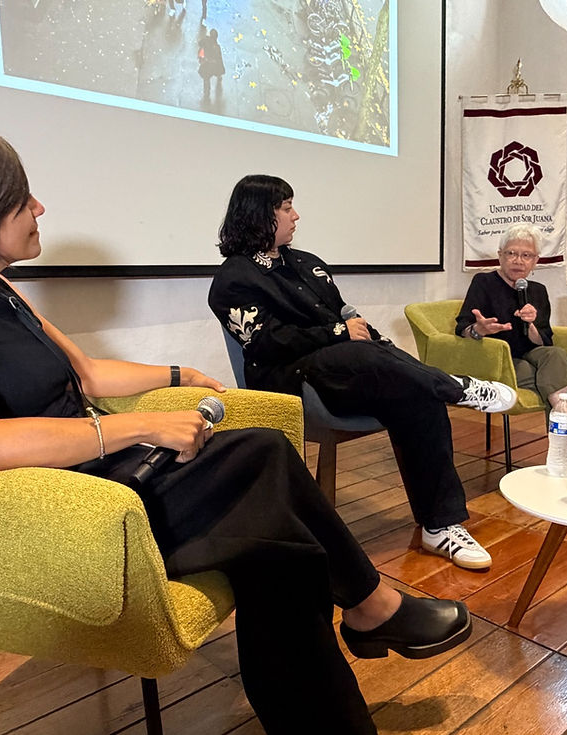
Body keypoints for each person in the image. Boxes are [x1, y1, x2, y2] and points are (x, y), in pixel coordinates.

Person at [0, 121, 475, 735]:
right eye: (20, 198)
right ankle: (370, 610)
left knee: (275, 530)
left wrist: (179, 373)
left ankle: (347, 673)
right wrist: (142, 429)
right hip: (63, 509)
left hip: (98, 478)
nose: (39, 207)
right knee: (266, 482)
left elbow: (86, 375)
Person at [208, 174, 518, 571]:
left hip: (346, 370)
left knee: (412, 391)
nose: (296, 216)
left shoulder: (308, 265)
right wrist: (338, 333)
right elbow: (266, 342)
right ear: (259, 214)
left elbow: (346, 316)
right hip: (291, 378)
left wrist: (366, 337)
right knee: (361, 356)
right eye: (286, 208)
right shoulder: (233, 278)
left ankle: (440, 527)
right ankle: (455, 387)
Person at [455, 223, 567, 411]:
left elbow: (544, 342)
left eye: (526, 255)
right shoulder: (483, 282)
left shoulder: (538, 291)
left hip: (530, 354)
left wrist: (532, 325)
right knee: (554, 376)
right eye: (511, 253)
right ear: (500, 256)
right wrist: (479, 330)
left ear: (535, 260)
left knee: (558, 355)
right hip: (498, 358)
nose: (518, 261)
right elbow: (462, 328)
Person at [198, 28, 224, 100]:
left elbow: (199, 43)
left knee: (206, 79)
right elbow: (219, 59)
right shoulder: (217, 47)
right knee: (216, 73)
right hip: (214, 66)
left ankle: (207, 92)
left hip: (206, 65)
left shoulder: (206, 41)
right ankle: (219, 76)